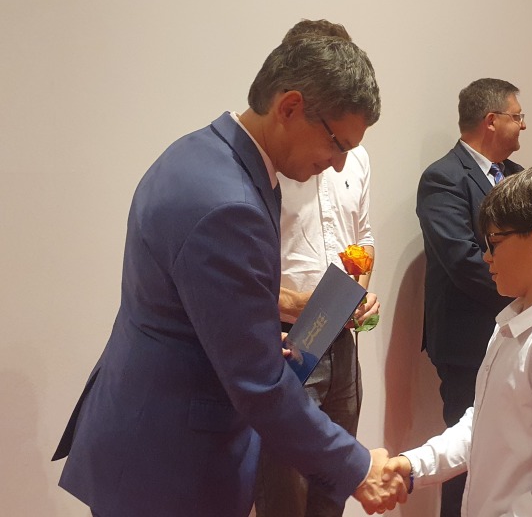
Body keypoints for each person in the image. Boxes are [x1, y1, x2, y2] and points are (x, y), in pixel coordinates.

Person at [51, 34, 406, 517]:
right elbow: (259, 384)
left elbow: (190, 307)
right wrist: (359, 467)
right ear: (289, 107)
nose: (339, 163)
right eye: (337, 143)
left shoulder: (199, 152)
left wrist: (251, 335)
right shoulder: (229, 205)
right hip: (171, 463)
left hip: (145, 428)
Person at [386, 165, 532, 516]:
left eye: (494, 242)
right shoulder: (513, 326)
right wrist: (415, 464)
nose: (486, 256)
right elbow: (483, 425)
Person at [254, 19, 381, 517]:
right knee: (285, 496)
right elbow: (239, 278)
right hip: (287, 346)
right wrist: (302, 306)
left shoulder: (357, 157)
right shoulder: (268, 163)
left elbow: (363, 240)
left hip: (343, 343)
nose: (337, 158)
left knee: (334, 487)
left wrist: (357, 294)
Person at [416, 78, 525, 516]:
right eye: (517, 116)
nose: (523, 125)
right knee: (466, 452)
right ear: (491, 120)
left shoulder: (519, 176)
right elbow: (461, 259)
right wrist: (526, 292)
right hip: (467, 341)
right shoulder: (443, 178)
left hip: (518, 333)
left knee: (512, 449)